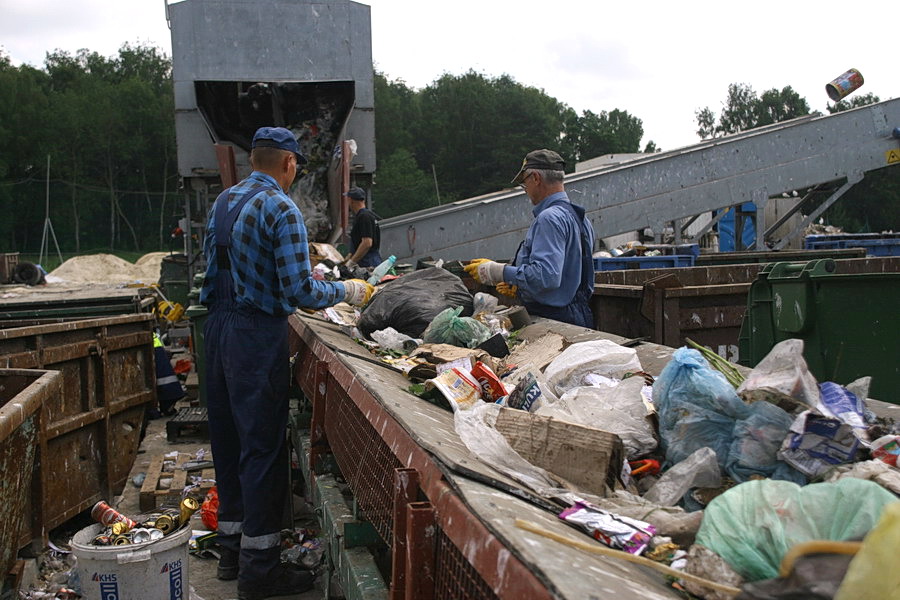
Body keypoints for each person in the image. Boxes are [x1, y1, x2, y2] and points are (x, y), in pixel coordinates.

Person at [200, 126, 373, 600]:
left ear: (253, 158)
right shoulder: (281, 207)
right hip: (254, 335)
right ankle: (260, 571)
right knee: (262, 450)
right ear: (289, 164)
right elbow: (300, 291)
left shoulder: (224, 203)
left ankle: (232, 552)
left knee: (230, 444)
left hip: (215, 330)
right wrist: (348, 291)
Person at [464, 149, 596, 329]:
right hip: (581, 314)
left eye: (524, 182)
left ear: (535, 178)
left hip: (556, 319)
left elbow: (547, 277)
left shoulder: (548, 218)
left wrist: (497, 271)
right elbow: (568, 276)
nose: (525, 190)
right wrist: (521, 285)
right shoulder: (580, 218)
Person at [343, 186, 383, 268]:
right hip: (368, 259)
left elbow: (367, 242)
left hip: (368, 262)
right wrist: (349, 256)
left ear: (350, 200)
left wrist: (352, 261)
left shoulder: (364, 217)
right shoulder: (364, 215)